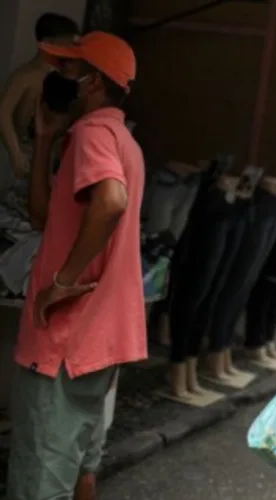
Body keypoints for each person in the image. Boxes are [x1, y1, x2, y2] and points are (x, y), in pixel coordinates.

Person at [7, 32, 144, 500]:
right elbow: (47, 219)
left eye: (67, 69)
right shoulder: (120, 139)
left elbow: (111, 200)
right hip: (96, 342)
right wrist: (45, 141)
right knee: (82, 468)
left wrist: (63, 282)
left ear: (91, 83)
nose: (57, 77)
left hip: (63, 343)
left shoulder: (92, 134)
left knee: (38, 483)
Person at [0, 13, 79, 192]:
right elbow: (3, 113)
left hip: (47, 160)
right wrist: (15, 153)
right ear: (48, 43)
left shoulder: (65, 79)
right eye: (67, 44)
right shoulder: (25, 76)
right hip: (23, 155)